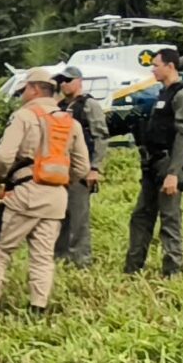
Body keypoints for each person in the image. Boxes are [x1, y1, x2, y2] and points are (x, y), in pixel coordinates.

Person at [0, 69, 91, 322]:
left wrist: (3, 179)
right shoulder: (70, 122)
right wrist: (61, 181)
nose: (22, 95)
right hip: (56, 199)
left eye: (24, 89)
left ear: (35, 89)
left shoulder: (24, 116)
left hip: (24, 196)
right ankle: (38, 311)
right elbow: (83, 168)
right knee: (42, 257)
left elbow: (4, 156)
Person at [123, 49, 183, 277]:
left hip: (168, 164)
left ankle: (172, 271)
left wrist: (173, 172)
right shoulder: (163, 93)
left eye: (156, 65)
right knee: (141, 216)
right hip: (152, 164)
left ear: (170, 66)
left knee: (169, 219)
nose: (153, 69)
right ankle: (133, 268)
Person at [54, 65, 110, 269]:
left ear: (79, 82)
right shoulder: (58, 107)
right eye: (61, 80)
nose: (63, 84)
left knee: (79, 218)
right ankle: (59, 258)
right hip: (58, 171)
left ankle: (81, 262)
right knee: (59, 217)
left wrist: (95, 168)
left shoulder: (88, 105)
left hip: (80, 170)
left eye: (68, 80)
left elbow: (101, 136)